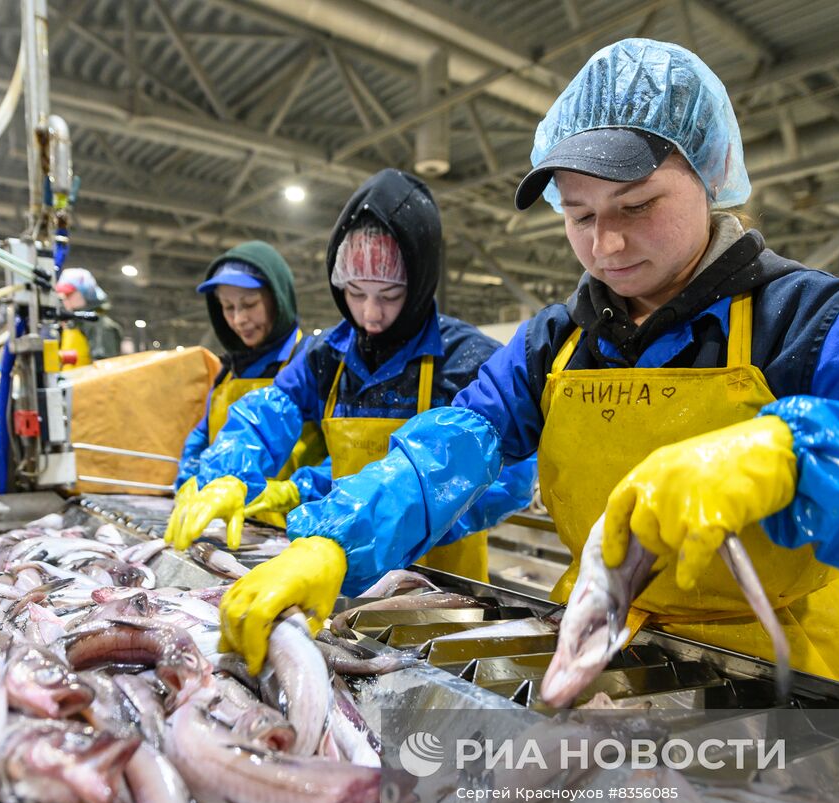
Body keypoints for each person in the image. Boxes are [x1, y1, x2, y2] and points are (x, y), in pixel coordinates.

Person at [214, 39, 839, 678]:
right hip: (598, 660)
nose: (608, 241)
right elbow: (453, 446)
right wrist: (336, 537)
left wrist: (800, 456)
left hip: (783, 684)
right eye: (580, 213)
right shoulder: (557, 342)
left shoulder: (816, 323)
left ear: (711, 175)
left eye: (638, 203)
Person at [167, 167, 537, 583]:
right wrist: (228, 475)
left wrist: (400, 520)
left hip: (439, 584)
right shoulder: (326, 357)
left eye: (390, 295)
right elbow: (266, 415)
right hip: (335, 567)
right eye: (355, 293)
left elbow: (512, 477)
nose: (371, 314)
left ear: (419, 287)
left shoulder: (467, 359)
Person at [173, 241, 326, 530]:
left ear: (277, 298)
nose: (239, 319)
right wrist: (190, 482)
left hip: (294, 532)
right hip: (229, 530)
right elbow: (202, 437)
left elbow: (346, 460)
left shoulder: (310, 364)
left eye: (249, 304)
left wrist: (292, 492)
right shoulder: (228, 372)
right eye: (228, 308)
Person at [55, 268, 123, 362]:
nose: (65, 300)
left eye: (69, 294)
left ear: (86, 292)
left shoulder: (100, 327)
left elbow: (103, 370)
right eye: (63, 295)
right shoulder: (74, 325)